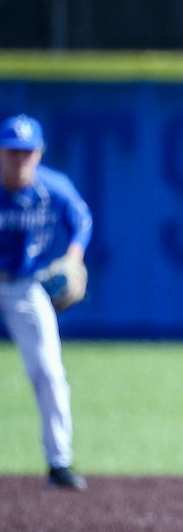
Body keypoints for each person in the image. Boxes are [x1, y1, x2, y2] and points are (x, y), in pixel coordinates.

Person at [0, 114, 92, 490]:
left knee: (50, 371)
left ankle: (59, 462)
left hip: (24, 285)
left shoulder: (54, 187)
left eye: (27, 152)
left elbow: (81, 220)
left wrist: (73, 257)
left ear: (39, 153)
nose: (20, 159)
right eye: (12, 151)